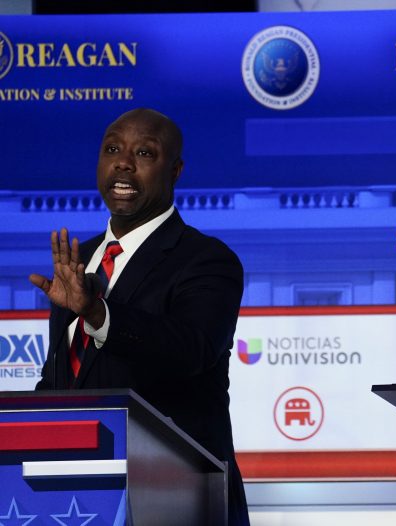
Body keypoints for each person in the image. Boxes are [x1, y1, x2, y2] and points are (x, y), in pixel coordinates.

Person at [30, 108, 249, 525]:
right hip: (75, 500)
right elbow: (64, 381)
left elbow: (191, 349)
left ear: (175, 170)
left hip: (177, 498)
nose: (123, 163)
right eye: (112, 149)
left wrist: (98, 313)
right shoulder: (79, 260)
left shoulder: (206, 260)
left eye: (144, 153)